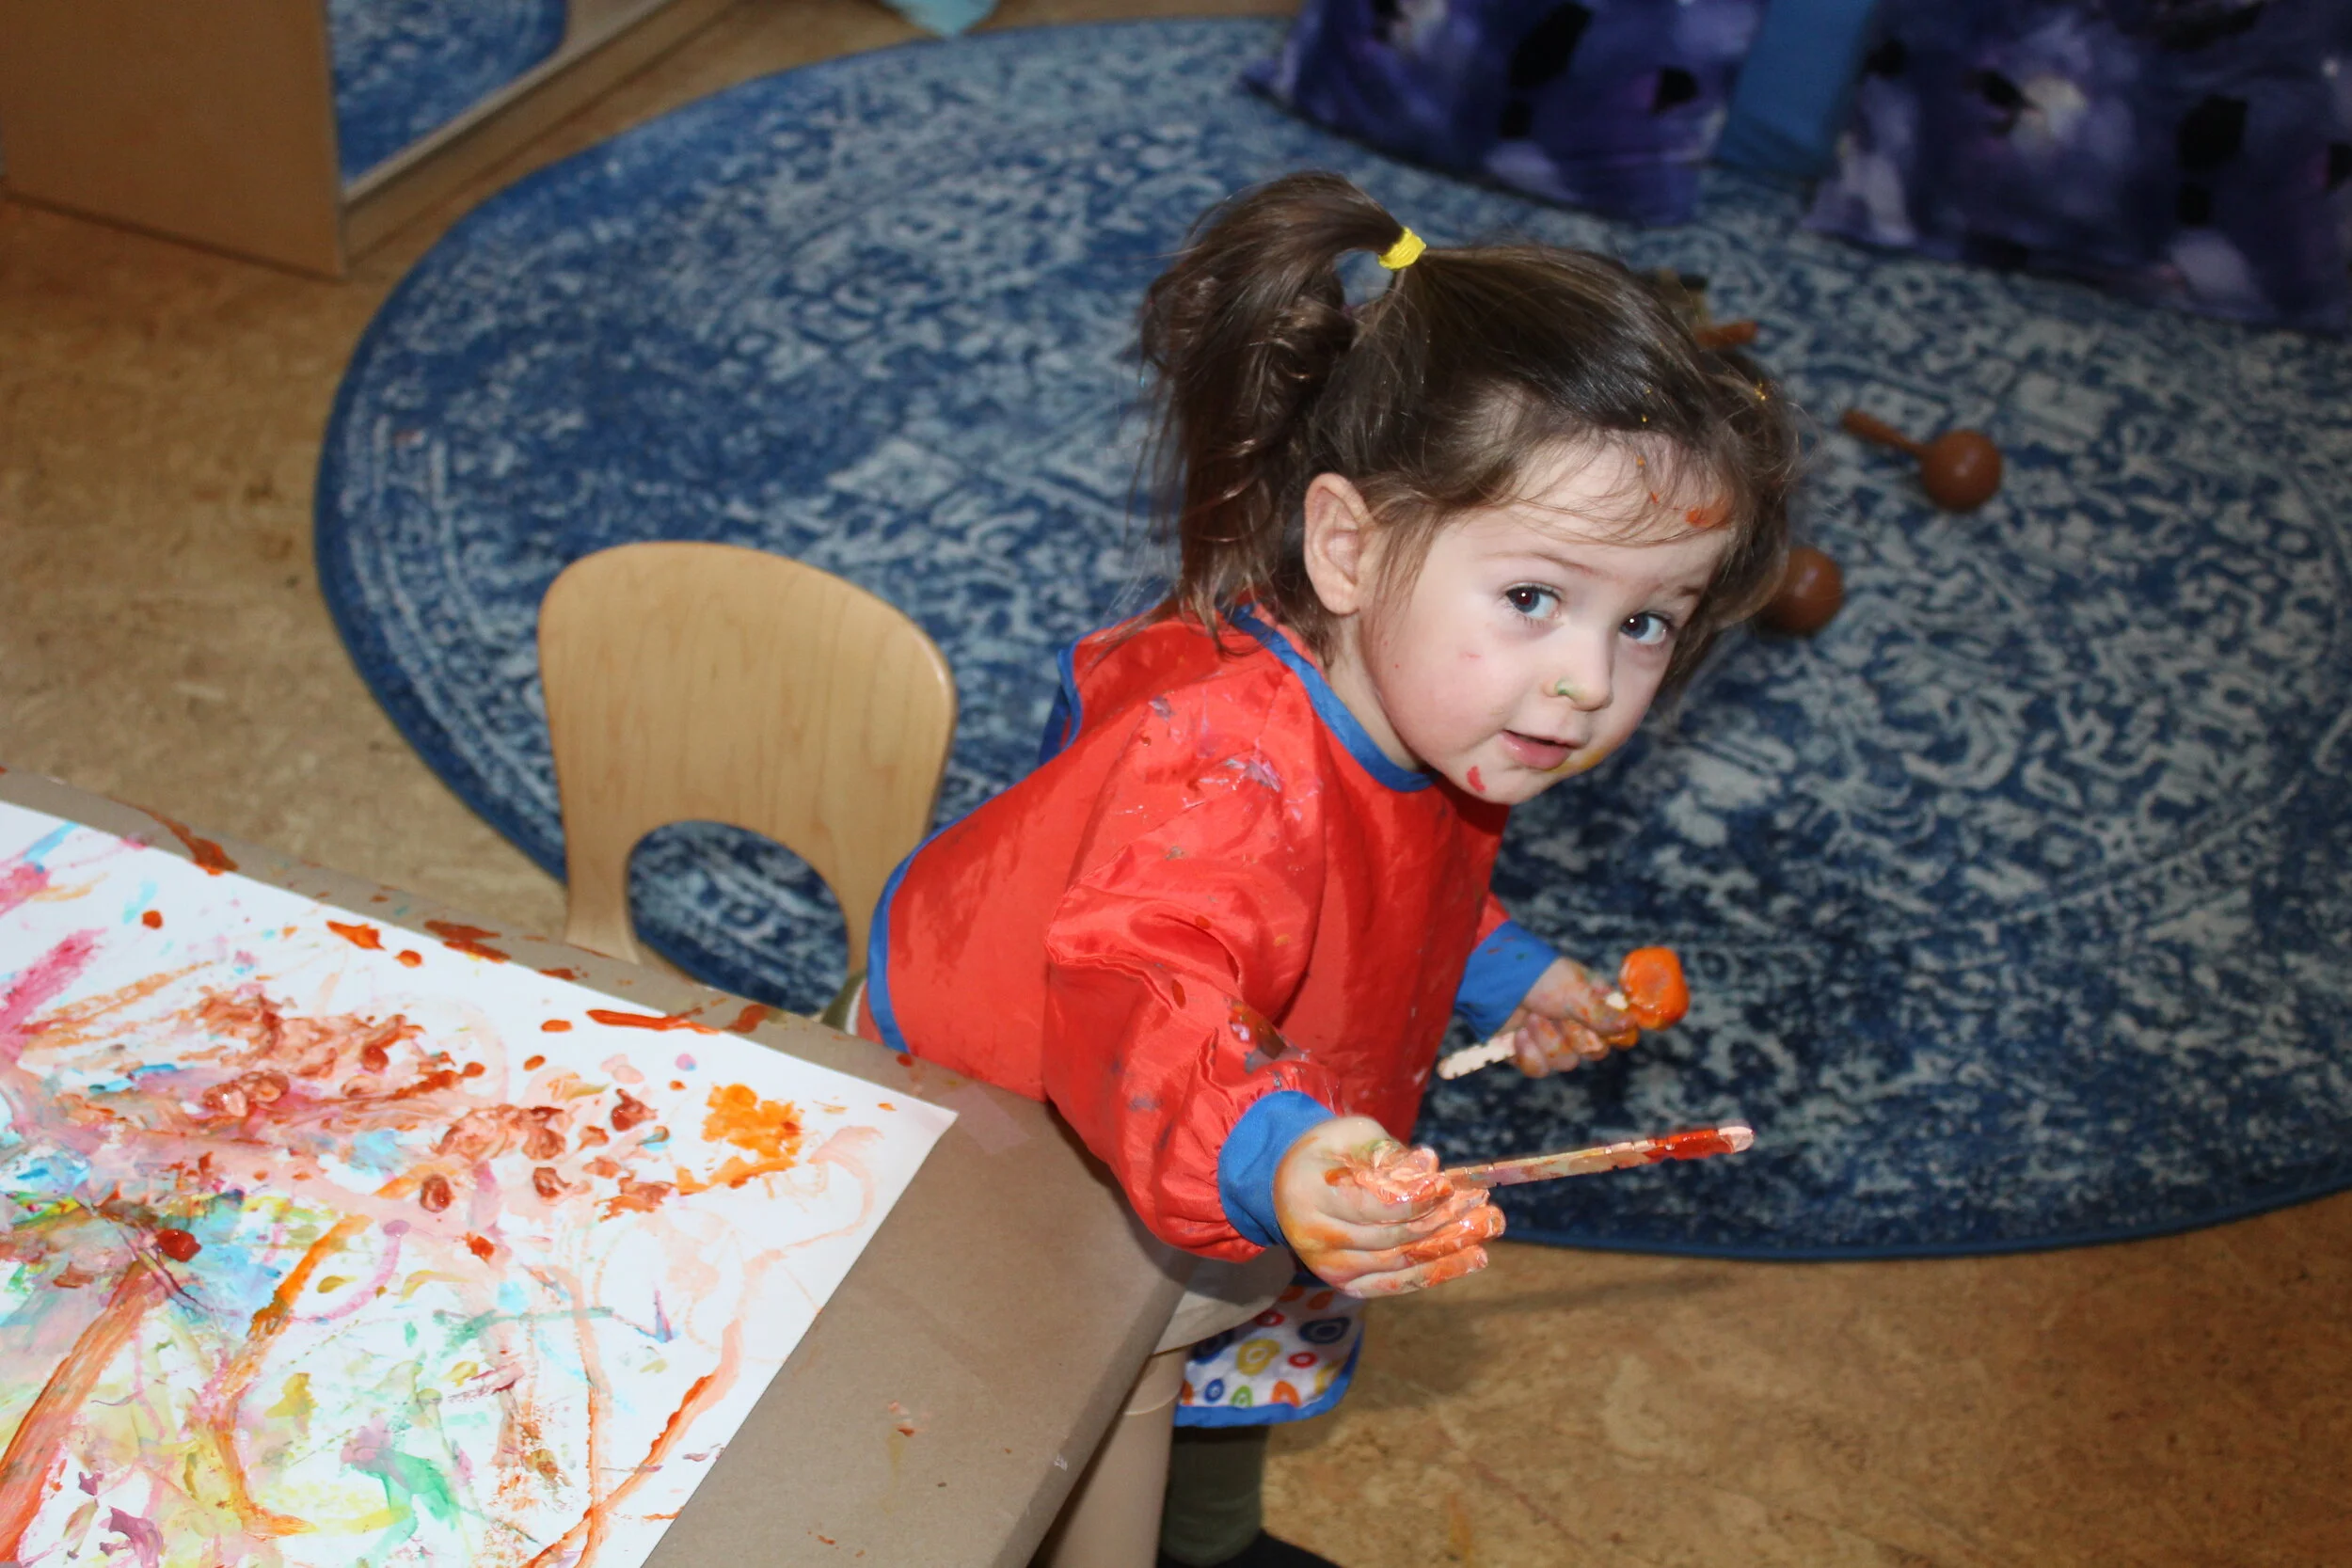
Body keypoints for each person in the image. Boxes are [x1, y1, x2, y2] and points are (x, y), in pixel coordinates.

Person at [843, 170, 1796, 1568]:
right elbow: (1147, 989)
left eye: (1647, 621)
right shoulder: (1231, 779)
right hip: (1015, 1092)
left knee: (1219, 1373)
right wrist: (1273, 1144)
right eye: (1536, 595)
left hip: (1221, 1113)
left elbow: (1401, 885)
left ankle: (1210, 1533)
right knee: (1078, 1405)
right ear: (1346, 545)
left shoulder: (1451, 716)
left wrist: (1506, 972)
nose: (1588, 680)